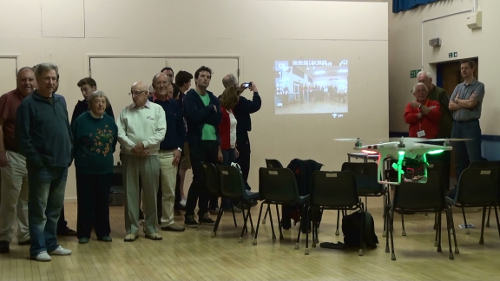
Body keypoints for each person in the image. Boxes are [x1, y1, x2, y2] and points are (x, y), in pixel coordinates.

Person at [16, 63, 73, 261]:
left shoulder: (61, 101)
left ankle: (51, 243)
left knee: (55, 210)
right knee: (38, 210)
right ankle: (37, 249)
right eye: (47, 78)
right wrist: (37, 161)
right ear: (38, 81)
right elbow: (23, 138)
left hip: (61, 164)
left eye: (54, 78)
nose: (51, 82)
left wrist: (69, 152)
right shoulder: (27, 105)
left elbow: (66, 128)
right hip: (41, 168)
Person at [117, 81, 166, 242]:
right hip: (130, 156)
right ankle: (132, 228)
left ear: (146, 93)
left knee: (151, 193)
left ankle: (151, 228)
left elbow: (161, 132)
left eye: (137, 93)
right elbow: (120, 133)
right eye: (132, 92)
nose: (134, 96)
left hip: (150, 156)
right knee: (131, 193)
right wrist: (133, 147)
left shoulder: (157, 110)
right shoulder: (126, 111)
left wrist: (144, 144)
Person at [72, 91, 118, 244]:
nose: (100, 104)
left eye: (103, 102)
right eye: (97, 101)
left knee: (103, 202)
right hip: (85, 169)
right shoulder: (80, 121)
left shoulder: (110, 121)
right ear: (90, 104)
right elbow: (74, 143)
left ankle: (103, 232)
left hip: (105, 169)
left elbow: (112, 144)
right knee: (85, 202)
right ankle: (83, 233)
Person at [0, 67, 36, 254]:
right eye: (23, 80)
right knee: (9, 200)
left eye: (30, 79)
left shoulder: (37, 101)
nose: (27, 83)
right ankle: (4, 237)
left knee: (27, 200)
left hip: (32, 159)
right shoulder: (8, 99)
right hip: (12, 156)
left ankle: (24, 235)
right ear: (17, 80)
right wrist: (1, 152)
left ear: (35, 81)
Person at [183, 66, 221, 227]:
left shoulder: (213, 98)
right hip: (197, 143)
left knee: (209, 180)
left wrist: (205, 113)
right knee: (199, 178)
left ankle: (204, 212)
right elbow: (193, 117)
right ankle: (189, 214)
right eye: (202, 76)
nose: (205, 79)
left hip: (212, 142)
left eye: (208, 77)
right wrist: (208, 110)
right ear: (196, 79)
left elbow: (218, 118)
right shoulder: (190, 96)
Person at [151, 73, 186, 231]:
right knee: (149, 191)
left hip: (169, 155)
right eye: (159, 83)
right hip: (150, 154)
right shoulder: (147, 105)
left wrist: (179, 149)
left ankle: (167, 221)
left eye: (165, 82)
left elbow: (181, 130)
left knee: (169, 191)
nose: (162, 85)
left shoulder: (174, 106)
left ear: (169, 84)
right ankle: (149, 223)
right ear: (154, 86)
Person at [223, 74, 261, 196]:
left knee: (232, 168)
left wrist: (238, 91)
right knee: (243, 165)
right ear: (235, 85)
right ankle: (242, 192)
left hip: (230, 139)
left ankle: (236, 193)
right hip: (240, 138)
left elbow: (231, 98)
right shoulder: (240, 101)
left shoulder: (223, 99)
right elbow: (255, 106)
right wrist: (255, 92)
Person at [449, 59, 485, 181]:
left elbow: (472, 103)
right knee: (459, 161)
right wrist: (465, 103)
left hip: (471, 126)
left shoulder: (479, 86)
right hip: (456, 127)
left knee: (474, 160)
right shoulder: (458, 87)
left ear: (472, 69)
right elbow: (450, 106)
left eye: (466, 68)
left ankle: (475, 191)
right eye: (462, 68)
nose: (463, 70)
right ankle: (460, 190)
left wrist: (458, 100)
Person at [417, 71, 452, 189]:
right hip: (427, 136)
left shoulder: (440, 93)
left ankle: (444, 189)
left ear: (430, 81)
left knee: (442, 162)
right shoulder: (421, 94)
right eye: (420, 81)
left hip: (442, 133)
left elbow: (446, 110)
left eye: (424, 81)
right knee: (428, 163)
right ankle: (431, 189)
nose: (422, 84)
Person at [217, 86, 243, 212]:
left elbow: (233, 130)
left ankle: (229, 202)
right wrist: (219, 149)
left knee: (231, 176)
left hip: (231, 147)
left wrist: (235, 147)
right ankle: (225, 204)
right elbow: (219, 131)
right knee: (225, 177)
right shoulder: (221, 111)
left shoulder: (230, 111)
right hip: (224, 148)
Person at [174, 70, 194, 211]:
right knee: (182, 167)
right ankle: (181, 195)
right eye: (190, 82)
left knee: (183, 167)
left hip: (183, 137)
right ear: (186, 82)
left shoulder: (183, 97)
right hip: (183, 137)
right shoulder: (181, 98)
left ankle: (180, 195)